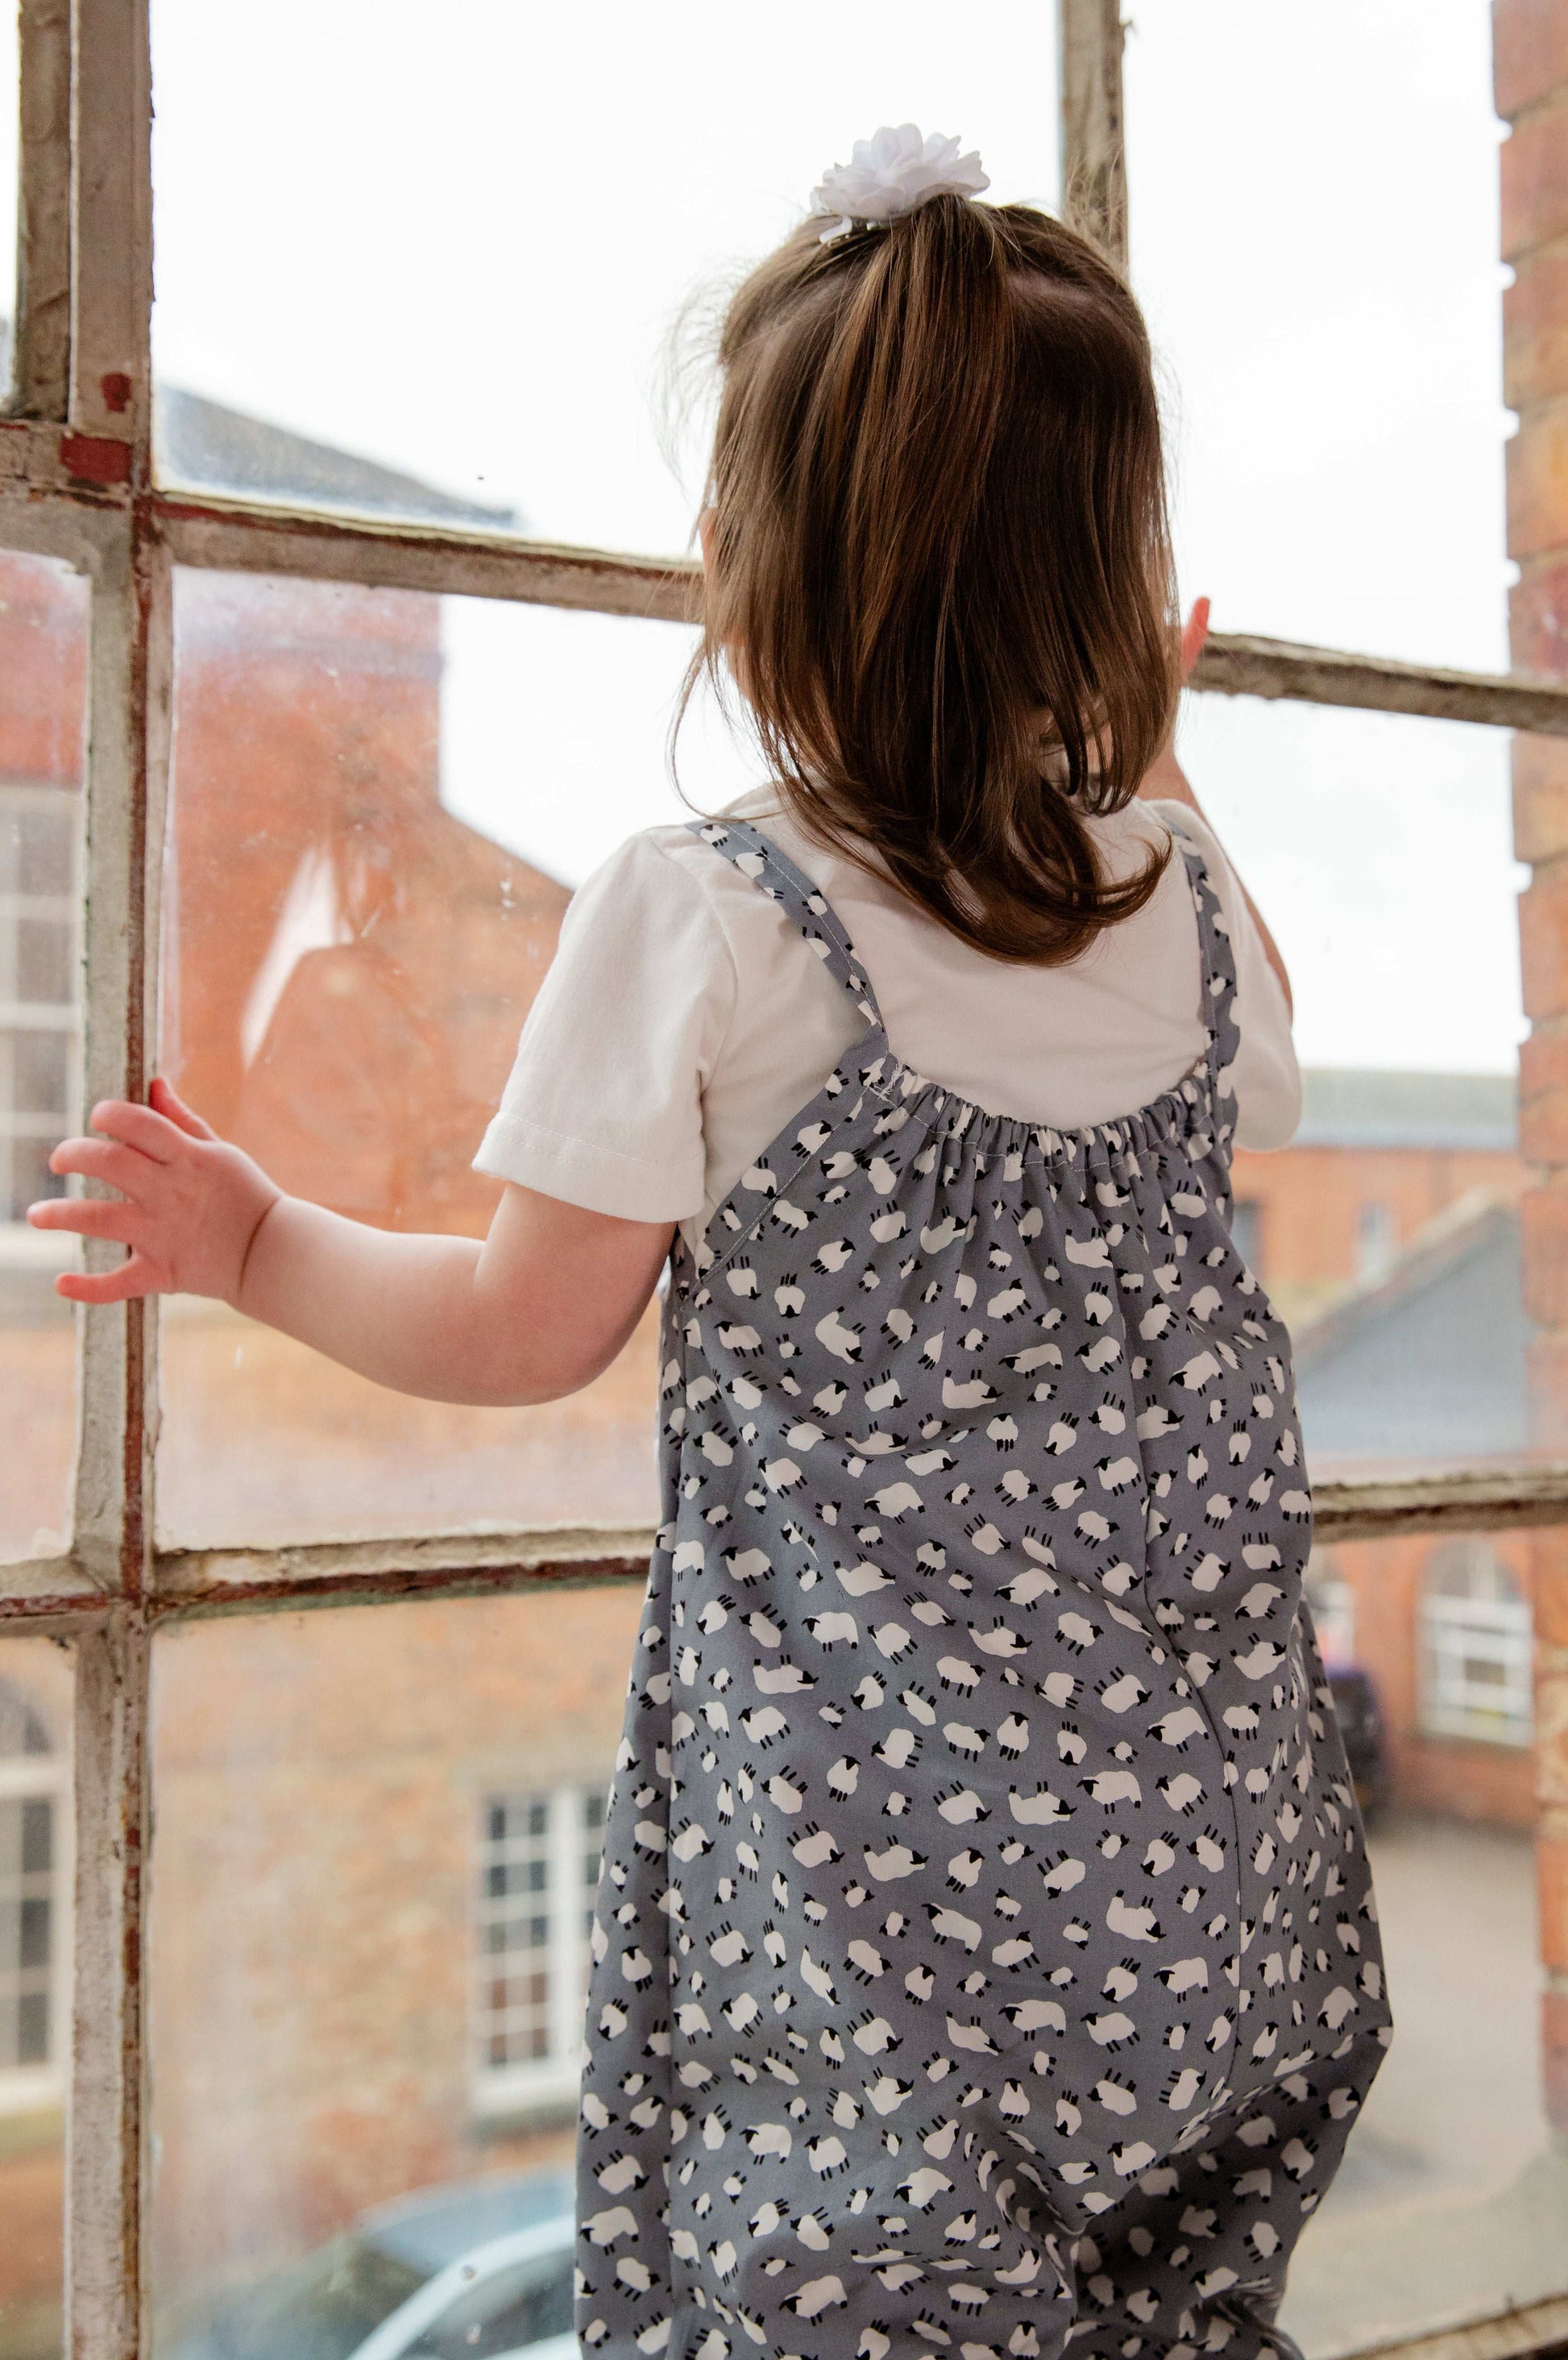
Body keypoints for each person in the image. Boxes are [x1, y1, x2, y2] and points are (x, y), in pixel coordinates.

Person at [33, 127, 1388, 2360]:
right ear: (1111, 593)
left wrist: (261, 1243)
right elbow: (1258, 1092)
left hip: (880, 1916)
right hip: (1198, 1884)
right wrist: (1149, 757)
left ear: (753, 584)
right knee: (1169, 2305)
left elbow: (522, 1323)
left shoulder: (710, 922)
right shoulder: (1192, 906)